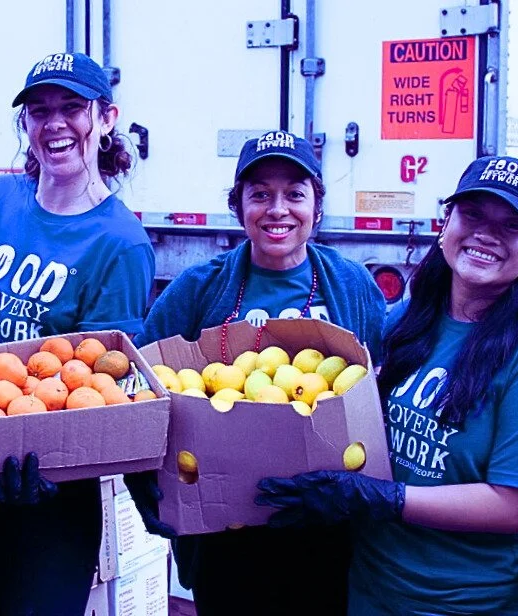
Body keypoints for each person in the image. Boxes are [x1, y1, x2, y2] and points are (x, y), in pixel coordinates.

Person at [256, 155, 518, 615]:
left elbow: (515, 504)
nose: (486, 233)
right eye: (472, 214)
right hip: (372, 589)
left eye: (511, 225)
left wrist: (384, 498)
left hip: (468, 603)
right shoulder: (412, 319)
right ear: (446, 222)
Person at [0, 52, 155, 615]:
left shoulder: (120, 243)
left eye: (72, 107)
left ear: (105, 119)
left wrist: (52, 462)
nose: (53, 122)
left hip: (45, 494)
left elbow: (100, 389)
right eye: (38, 110)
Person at [131, 131, 387, 615]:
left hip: (325, 522)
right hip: (227, 528)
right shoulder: (198, 287)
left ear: (316, 204)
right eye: (260, 194)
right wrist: (146, 479)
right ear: (238, 206)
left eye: (295, 193)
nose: (278, 209)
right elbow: (144, 381)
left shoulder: (351, 284)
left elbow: (381, 385)